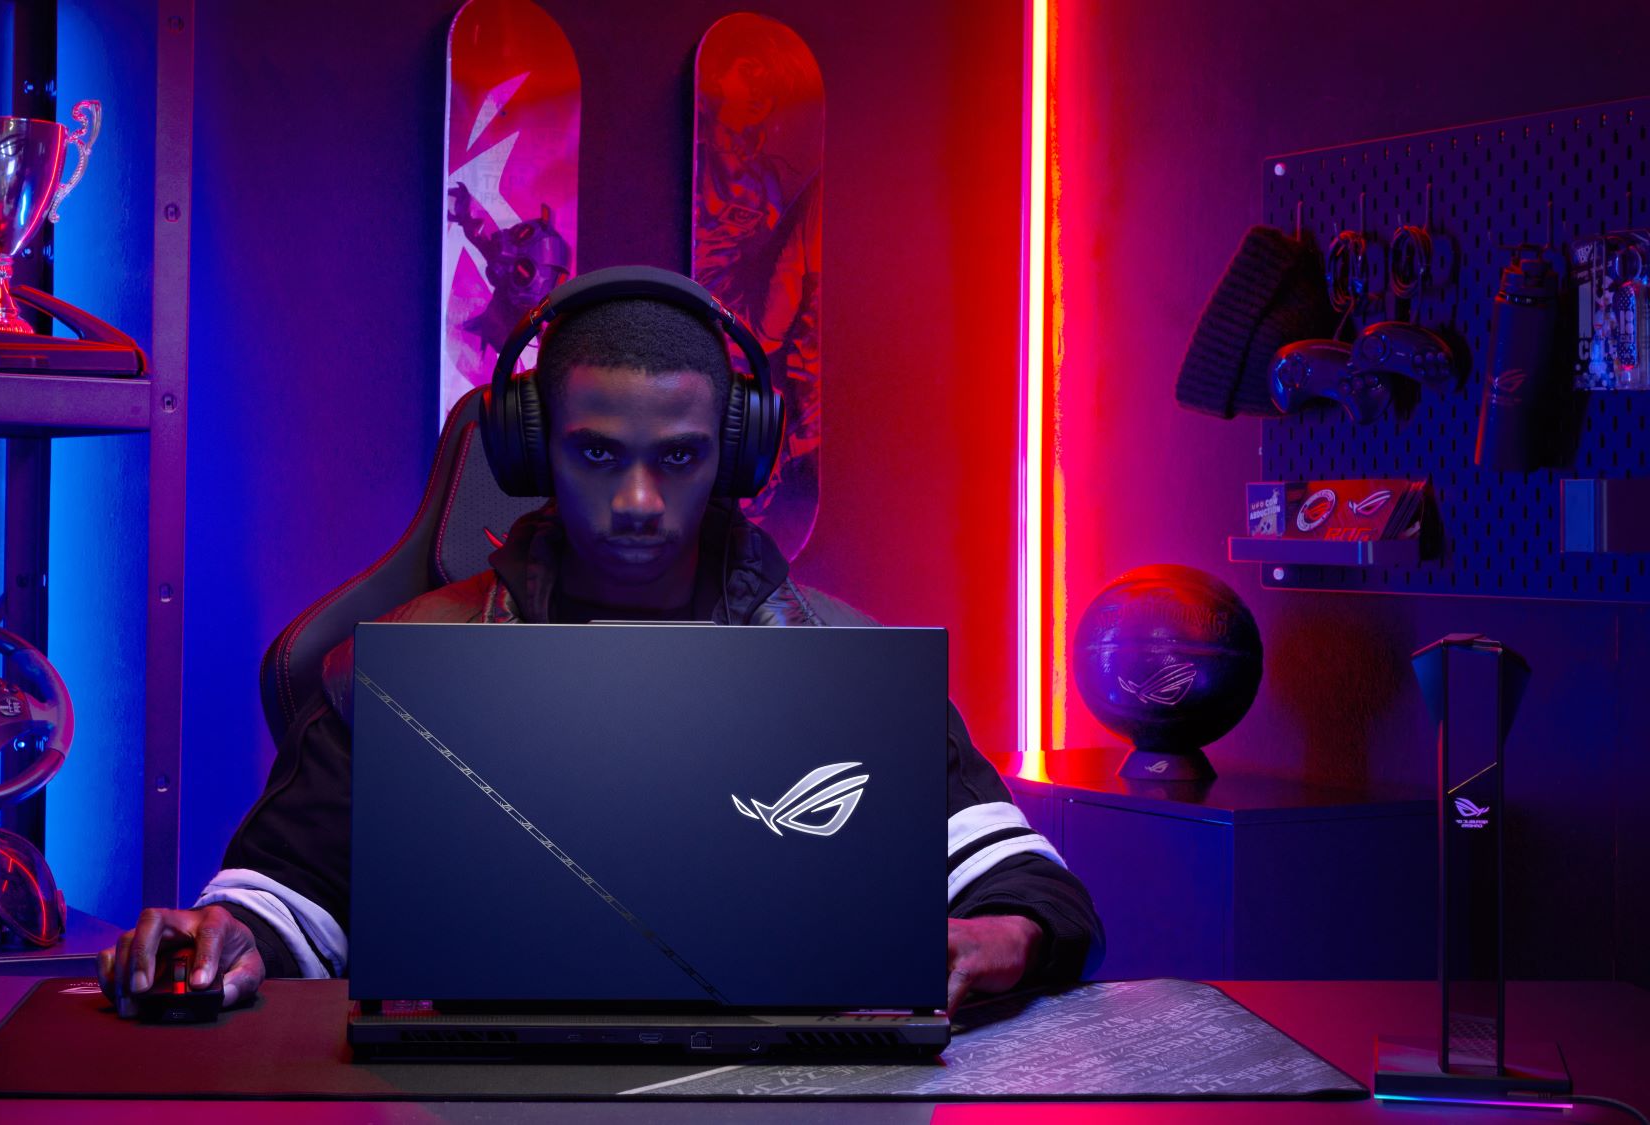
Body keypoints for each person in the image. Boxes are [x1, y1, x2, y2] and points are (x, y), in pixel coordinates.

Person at [99, 276, 1105, 1016]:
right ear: (532, 449)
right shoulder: (411, 662)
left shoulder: (839, 664)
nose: (635, 502)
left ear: (736, 455)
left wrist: (1002, 933)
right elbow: (289, 890)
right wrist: (220, 939)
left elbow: (1021, 882)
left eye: (677, 458)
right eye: (594, 454)